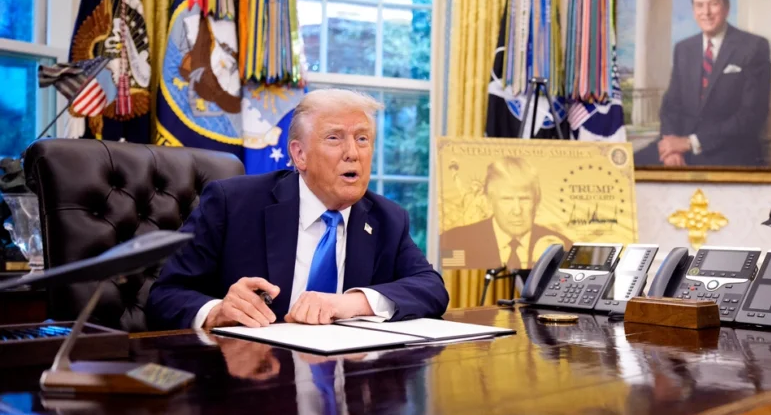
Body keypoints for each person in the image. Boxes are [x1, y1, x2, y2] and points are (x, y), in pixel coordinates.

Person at [146, 89, 449, 330]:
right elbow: (165, 296)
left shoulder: (387, 218)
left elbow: (431, 288)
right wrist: (217, 312)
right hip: (253, 374)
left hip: (350, 377)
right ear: (299, 154)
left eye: (362, 139)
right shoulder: (232, 203)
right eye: (334, 138)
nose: (353, 153)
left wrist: (350, 303)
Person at [634, 0, 771, 168]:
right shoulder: (684, 49)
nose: (706, 13)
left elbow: (751, 115)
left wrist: (690, 143)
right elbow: (671, 105)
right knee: (625, 168)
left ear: (726, 7)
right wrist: (672, 146)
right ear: (693, 10)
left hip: (728, 151)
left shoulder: (753, 47)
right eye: (699, 5)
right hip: (680, 146)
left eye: (713, 4)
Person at [439, 157, 569, 269]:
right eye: (507, 199)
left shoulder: (564, 246)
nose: (517, 210)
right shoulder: (455, 241)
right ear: (490, 201)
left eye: (524, 199)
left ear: (537, 201)